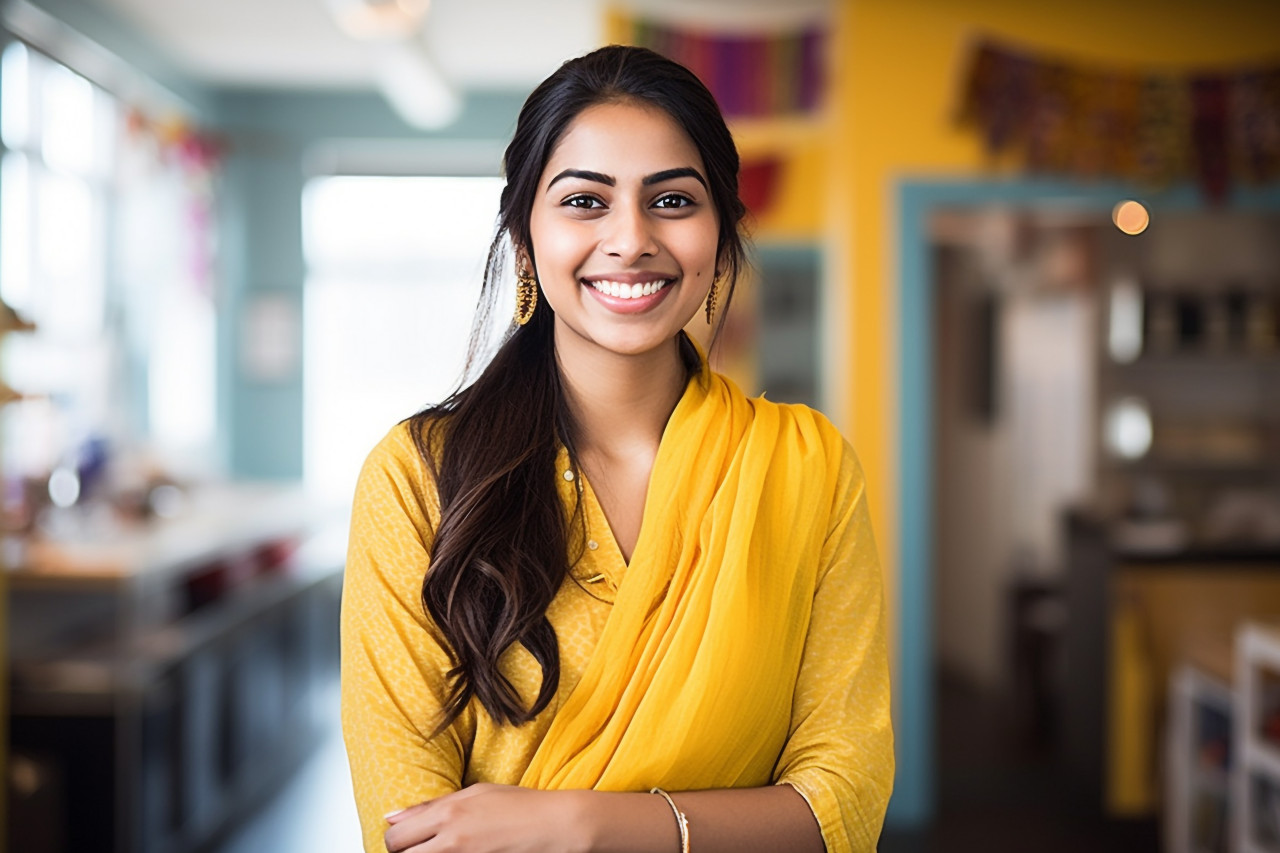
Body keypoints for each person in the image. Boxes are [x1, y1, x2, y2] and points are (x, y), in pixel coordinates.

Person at [341, 44, 893, 853]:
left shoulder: (806, 466)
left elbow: (845, 795)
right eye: (584, 202)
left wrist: (588, 824)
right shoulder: (418, 474)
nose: (631, 238)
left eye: (672, 199)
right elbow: (409, 829)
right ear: (524, 241)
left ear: (721, 237)